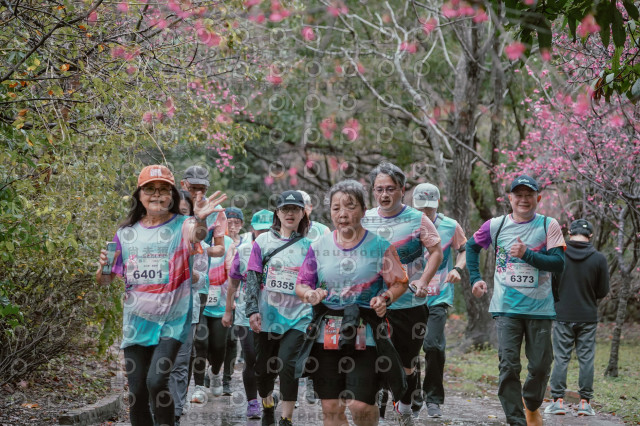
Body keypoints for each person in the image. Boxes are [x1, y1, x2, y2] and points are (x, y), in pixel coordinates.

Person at [96, 165, 226, 426]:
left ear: (172, 195)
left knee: (156, 381)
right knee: (137, 392)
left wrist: (201, 219)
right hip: (136, 322)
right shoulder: (125, 233)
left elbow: (198, 235)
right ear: (139, 194)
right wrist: (102, 268)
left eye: (163, 189)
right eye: (149, 189)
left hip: (172, 322)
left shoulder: (183, 225)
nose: (156, 194)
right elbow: (106, 280)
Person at [296, 180, 410, 426]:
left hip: (365, 333)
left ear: (363, 209)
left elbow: (400, 282)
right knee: (331, 406)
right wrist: (310, 294)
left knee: (360, 405)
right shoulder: (319, 246)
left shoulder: (380, 246)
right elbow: (302, 283)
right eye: (336, 208)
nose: (343, 214)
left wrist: (385, 298)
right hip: (326, 334)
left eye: (350, 206)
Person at [466, 174, 566, 426]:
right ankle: (516, 420)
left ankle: (531, 404)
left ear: (538, 198)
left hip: (540, 309)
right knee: (509, 366)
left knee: (541, 365)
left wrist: (527, 254)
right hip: (506, 308)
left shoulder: (549, 225)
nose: (523, 199)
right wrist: (475, 278)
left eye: (529, 195)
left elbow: (558, 263)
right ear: (509, 198)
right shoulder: (495, 225)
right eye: (518, 195)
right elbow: (471, 246)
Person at [361, 162, 443, 426]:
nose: (384, 195)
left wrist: (423, 280)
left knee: (406, 364)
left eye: (390, 189)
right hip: (373, 305)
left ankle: (405, 407)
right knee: (374, 361)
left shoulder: (418, 219)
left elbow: (436, 252)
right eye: (379, 189)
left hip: (410, 304)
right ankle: (377, 415)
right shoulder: (365, 219)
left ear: (402, 189)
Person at [245, 190, 313, 426]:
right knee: (263, 371)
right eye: (285, 209)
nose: (290, 213)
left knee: (288, 365)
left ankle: (286, 419)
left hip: (298, 317)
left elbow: (315, 282)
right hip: (268, 316)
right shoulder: (262, 242)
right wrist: (252, 310)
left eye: (295, 209)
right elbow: (252, 277)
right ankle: (267, 405)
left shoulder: (309, 246)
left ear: (303, 213)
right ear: (278, 213)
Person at [409, 183, 467, 419]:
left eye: (429, 208)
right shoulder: (405, 225)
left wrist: (457, 268)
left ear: (437, 204)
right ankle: (412, 398)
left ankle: (433, 398)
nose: (425, 213)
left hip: (438, 296)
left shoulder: (450, 226)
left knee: (433, 346)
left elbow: (465, 249)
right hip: (409, 298)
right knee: (410, 350)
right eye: (420, 208)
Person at [545, 219, 609, 417]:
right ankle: (584, 404)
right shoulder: (599, 259)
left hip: (563, 315)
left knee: (561, 358)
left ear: (570, 234)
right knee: (586, 359)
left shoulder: (559, 255)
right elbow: (602, 291)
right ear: (591, 236)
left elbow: (552, 285)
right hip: (587, 316)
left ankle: (557, 402)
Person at [223, 209, 275, 420]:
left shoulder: (280, 249)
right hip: (246, 314)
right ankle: (253, 402)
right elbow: (233, 284)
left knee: (270, 360)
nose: (262, 234)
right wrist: (228, 311)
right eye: (259, 230)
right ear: (252, 229)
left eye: (267, 230)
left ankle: (268, 396)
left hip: (274, 314)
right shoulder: (243, 251)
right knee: (251, 358)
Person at [169, 190, 210, 425]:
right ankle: (158, 408)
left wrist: (193, 275)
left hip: (186, 312)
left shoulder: (197, 242)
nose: (179, 217)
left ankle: (174, 411)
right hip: (157, 313)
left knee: (180, 362)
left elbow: (203, 279)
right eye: (175, 211)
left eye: (184, 212)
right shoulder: (156, 238)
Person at [191, 232, 234, 401]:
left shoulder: (227, 244)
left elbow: (233, 274)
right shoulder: (191, 239)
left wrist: (231, 302)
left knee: (218, 346)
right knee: (200, 343)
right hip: (199, 299)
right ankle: (199, 387)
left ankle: (215, 372)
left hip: (220, 304)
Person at [297, 190, 330, 404]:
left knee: (313, 336)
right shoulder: (287, 230)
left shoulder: (322, 230)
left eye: (304, 206)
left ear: (310, 208)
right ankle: (290, 384)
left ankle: (311, 380)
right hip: (292, 291)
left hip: (315, 293)